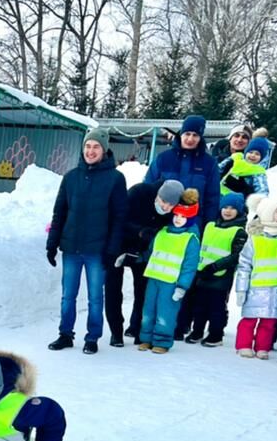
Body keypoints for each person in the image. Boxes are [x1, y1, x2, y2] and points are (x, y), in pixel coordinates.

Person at [45, 129, 127, 354]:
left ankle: (92, 337)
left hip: (97, 250)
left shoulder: (115, 179)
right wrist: (52, 244)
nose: (91, 151)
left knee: (95, 297)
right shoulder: (71, 177)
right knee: (67, 296)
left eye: (96, 147)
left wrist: (112, 250)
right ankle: (65, 334)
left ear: (104, 149)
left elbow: (120, 217)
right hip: (71, 247)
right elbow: (59, 213)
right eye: (88, 147)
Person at [107, 179, 180, 346]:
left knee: (143, 292)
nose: (165, 207)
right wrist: (139, 231)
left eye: (171, 205)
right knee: (113, 290)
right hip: (119, 245)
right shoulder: (139, 192)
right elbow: (119, 219)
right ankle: (116, 332)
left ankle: (139, 330)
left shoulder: (172, 212)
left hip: (144, 252)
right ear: (158, 195)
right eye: (163, 202)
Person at [138, 187, 201, 353]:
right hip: (154, 279)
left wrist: (183, 286)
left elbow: (190, 265)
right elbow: (151, 251)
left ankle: (162, 341)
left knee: (165, 314)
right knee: (149, 310)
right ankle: (146, 338)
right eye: (177, 215)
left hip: (171, 283)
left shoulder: (191, 239)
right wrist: (136, 258)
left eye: (184, 216)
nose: (179, 219)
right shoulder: (163, 232)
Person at [179, 192, 247, 345]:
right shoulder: (210, 226)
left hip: (221, 276)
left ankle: (216, 334)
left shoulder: (239, 232)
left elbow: (237, 255)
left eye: (232, 208)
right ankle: (197, 331)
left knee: (216, 307)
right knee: (199, 305)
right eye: (225, 207)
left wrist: (216, 266)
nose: (227, 211)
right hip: (203, 273)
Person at [234, 196, 277, 359]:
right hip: (256, 288)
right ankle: (244, 345)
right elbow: (244, 265)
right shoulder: (255, 239)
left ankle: (263, 347)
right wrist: (241, 289)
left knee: (269, 322)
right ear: (267, 214)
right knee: (249, 320)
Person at [143, 115, 220, 228]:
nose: (190, 139)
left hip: (193, 224)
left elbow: (212, 198)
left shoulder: (209, 163)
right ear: (181, 134)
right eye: (187, 134)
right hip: (162, 222)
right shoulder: (164, 158)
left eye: (195, 135)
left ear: (200, 138)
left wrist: (208, 227)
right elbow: (148, 189)